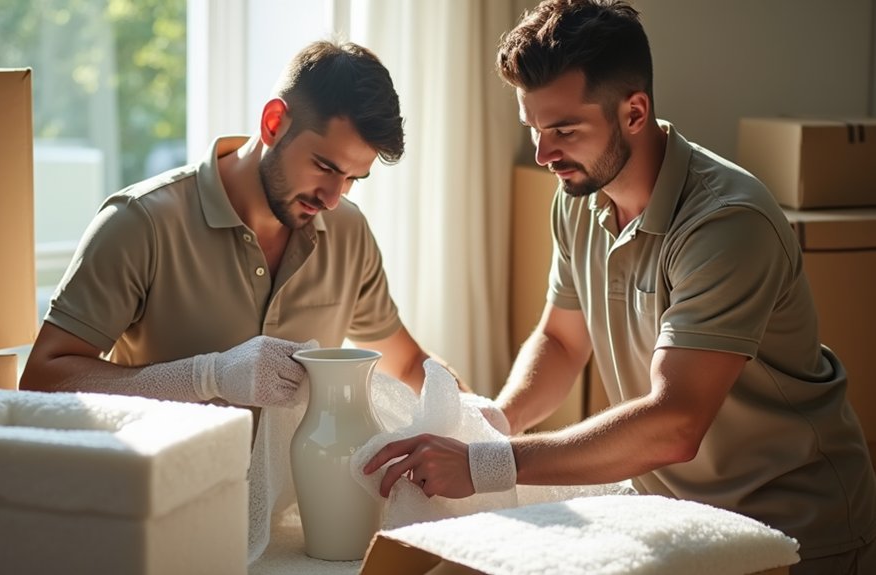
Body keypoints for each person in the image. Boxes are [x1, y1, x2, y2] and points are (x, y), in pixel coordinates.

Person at [362, 1, 876, 572]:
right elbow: (560, 342)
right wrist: (496, 422)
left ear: (634, 112)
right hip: (676, 518)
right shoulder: (577, 198)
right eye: (533, 128)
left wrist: (489, 462)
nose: (543, 154)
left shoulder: (726, 223)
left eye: (564, 129)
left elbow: (675, 424)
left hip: (794, 531)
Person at [20, 40, 450, 416]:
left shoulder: (348, 231)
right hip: (168, 501)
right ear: (273, 123)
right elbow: (42, 380)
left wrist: (481, 423)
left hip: (299, 508)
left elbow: (408, 366)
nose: (333, 198)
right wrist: (207, 376)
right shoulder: (140, 223)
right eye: (324, 166)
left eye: (354, 178)